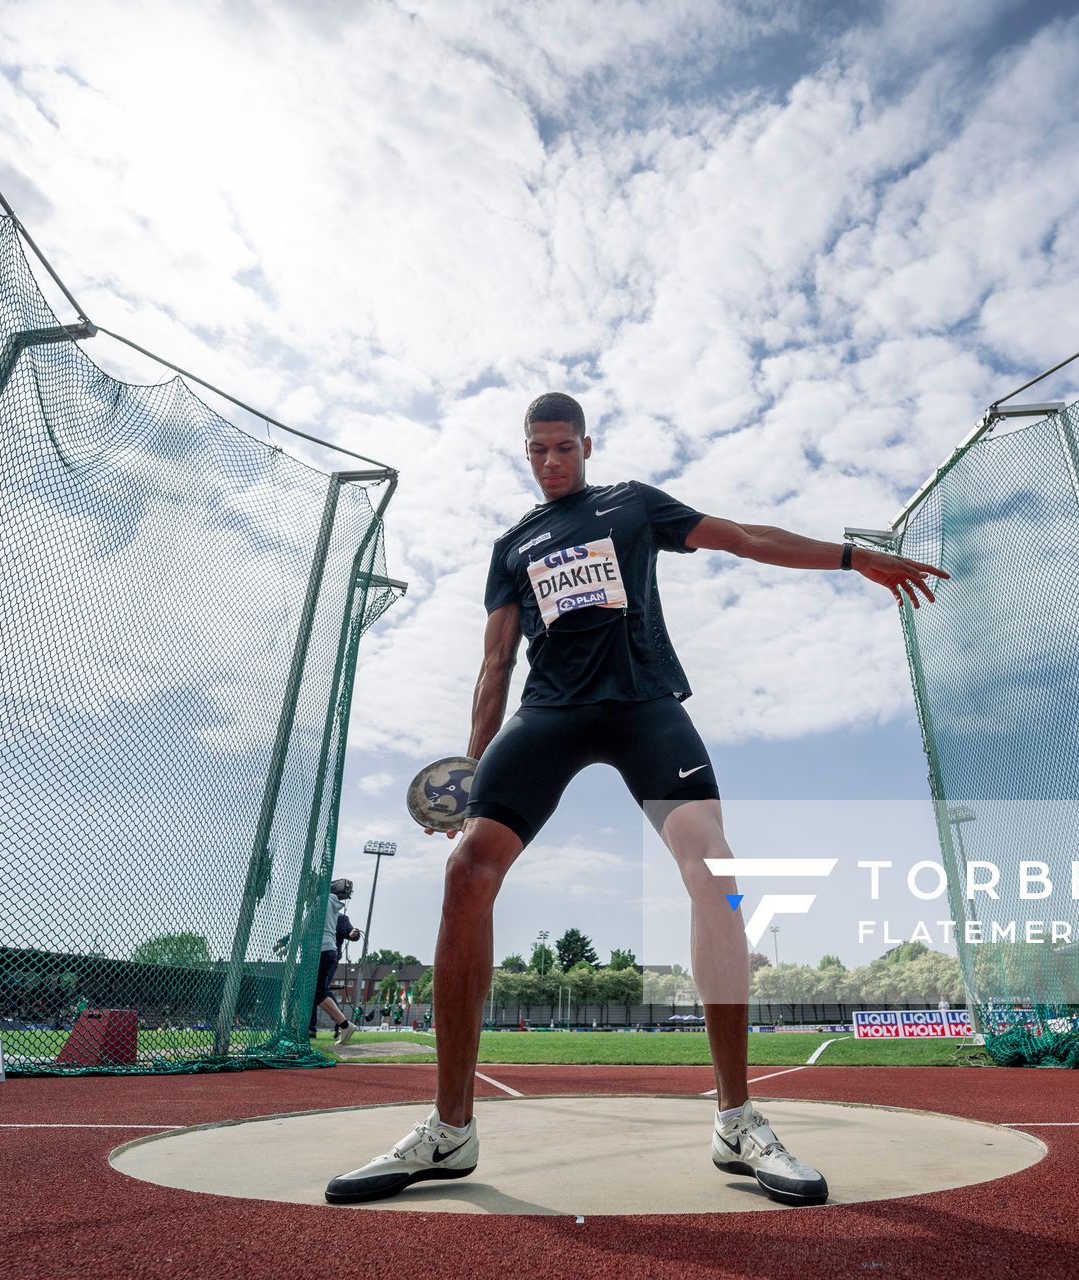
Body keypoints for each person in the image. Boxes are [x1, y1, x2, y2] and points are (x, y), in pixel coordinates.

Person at [325, 392, 945, 1207]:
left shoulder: (631, 505)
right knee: (467, 872)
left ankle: (737, 1119)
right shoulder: (512, 545)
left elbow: (744, 537)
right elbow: (494, 664)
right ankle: (449, 1130)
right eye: (536, 451)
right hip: (548, 714)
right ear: (526, 453)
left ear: (586, 445)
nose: (551, 462)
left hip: (644, 706)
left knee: (715, 867)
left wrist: (848, 557)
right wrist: (473, 773)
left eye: (562, 448)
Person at [311, 878, 362, 1047]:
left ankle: (344, 1024)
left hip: (325, 953)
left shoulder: (322, 904)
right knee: (317, 992)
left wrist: (354, 934)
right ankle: (342, 1025)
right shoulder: (332, 906)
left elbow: (351, 933)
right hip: (328, 951)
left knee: (319, 991)